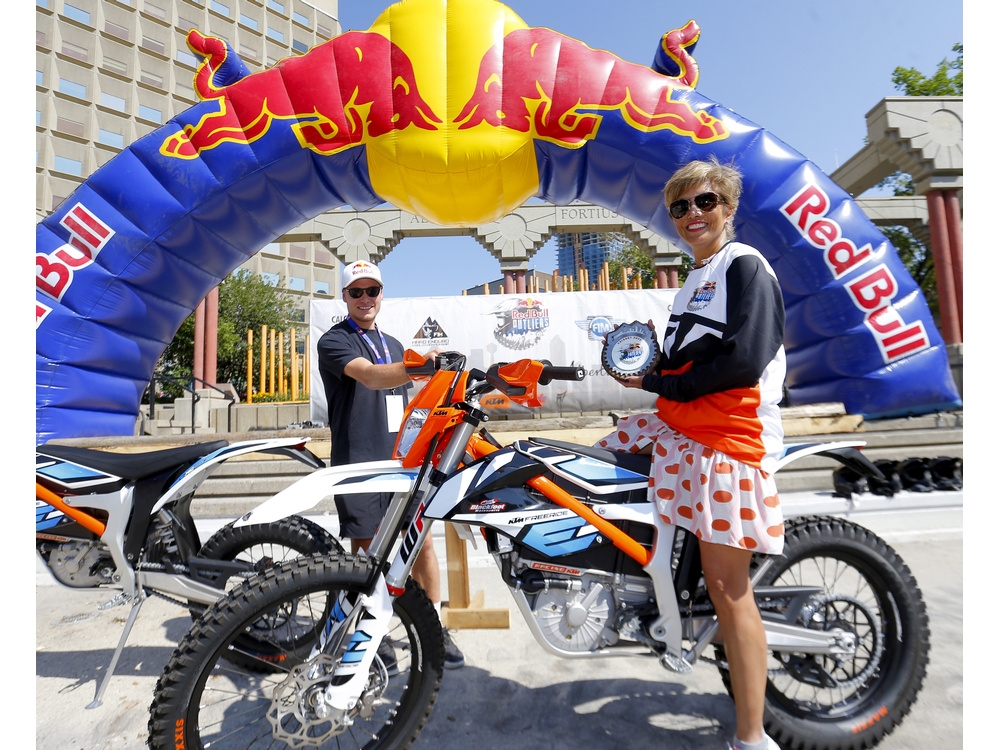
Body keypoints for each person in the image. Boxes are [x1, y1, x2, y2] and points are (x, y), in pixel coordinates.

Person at [596, 157, 785, 750]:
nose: (692, 214)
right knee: (585, 468)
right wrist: (648, 373)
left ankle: (752, 737)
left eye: (704, 202)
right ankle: (650, 601)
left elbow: (743, 361)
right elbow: (683, 365)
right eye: (680, 207)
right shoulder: (692, 279)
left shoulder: (743, 265)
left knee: (728, 587)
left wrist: (658, 384)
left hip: (727, 440)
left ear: (727, 208)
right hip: (681, 428)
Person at [317, 259, 465, 670]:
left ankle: (432, 628)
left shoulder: (396, 344)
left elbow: (410, 395)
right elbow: (370, 376)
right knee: (366, 555)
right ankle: (372, 631)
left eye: (372, 291)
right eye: (356, 292)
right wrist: (422, 365)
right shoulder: (334, 341)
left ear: (382, 294)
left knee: (422, 546)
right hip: (359, 462)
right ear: (345, 297)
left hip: (404, 462)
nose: (365, 299)